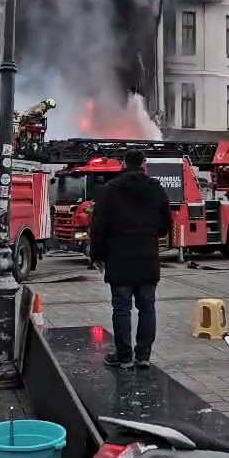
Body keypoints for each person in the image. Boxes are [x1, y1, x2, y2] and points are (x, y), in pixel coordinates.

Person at [90, 148, 171, 370]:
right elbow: (166, 222)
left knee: (121, 308)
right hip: (147, 257)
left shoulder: (110, 190)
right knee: (147, 308)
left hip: (119, 258)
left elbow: (99, 227)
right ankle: (143, 356)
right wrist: (151, 235)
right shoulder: (156, 189)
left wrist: (97, 255)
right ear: (144, 164)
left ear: (124, 163)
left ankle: (124, 357)